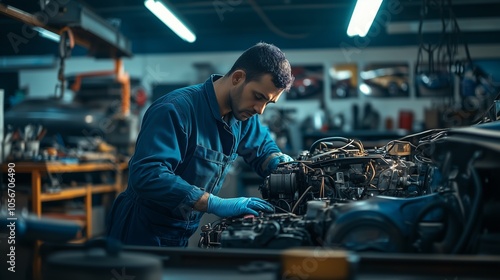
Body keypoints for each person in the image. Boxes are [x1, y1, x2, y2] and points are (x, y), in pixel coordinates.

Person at [107, 42, 294, 247]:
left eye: (268, 103)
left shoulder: (242, 115)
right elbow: (147, 174)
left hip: (181, 231)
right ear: (238, 78)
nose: (260, 110)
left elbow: (263, 149)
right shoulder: (175, 110)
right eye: (258, 97)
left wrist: (281, 164)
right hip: (141, 231)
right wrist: (214, 203)